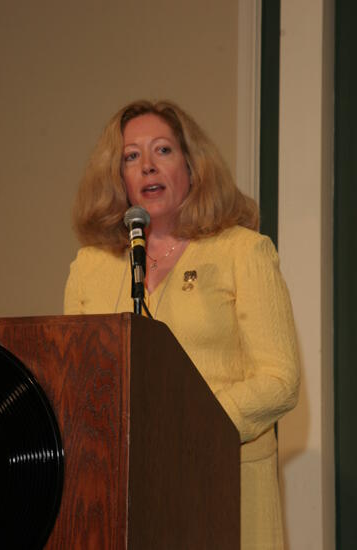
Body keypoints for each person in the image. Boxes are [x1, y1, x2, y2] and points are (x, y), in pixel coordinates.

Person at [64, 99, 300, 549]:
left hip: (225, 485)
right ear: (120, 179)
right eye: (132, 157)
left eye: (163, 151)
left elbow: (279, 379)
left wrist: (188, 424)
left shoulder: (242, 251)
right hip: (126, 496)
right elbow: (78, 384)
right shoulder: (90, 267)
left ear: (193, 166)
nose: (148, 167)